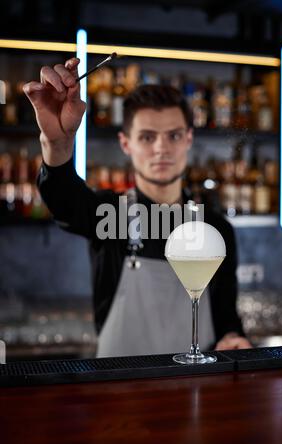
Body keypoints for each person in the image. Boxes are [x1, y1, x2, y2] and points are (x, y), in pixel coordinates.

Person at [23, 57, 251, 357]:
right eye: (147, 137)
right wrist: (57, 144)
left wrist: (234, 338)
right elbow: (64, 201)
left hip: (196, 391)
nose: (161, 148)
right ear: (125, 143)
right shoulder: (111, 215)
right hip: (119, 394)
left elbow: (226, 318)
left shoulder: (215, 229)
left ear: (188, 140)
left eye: (173, 135)